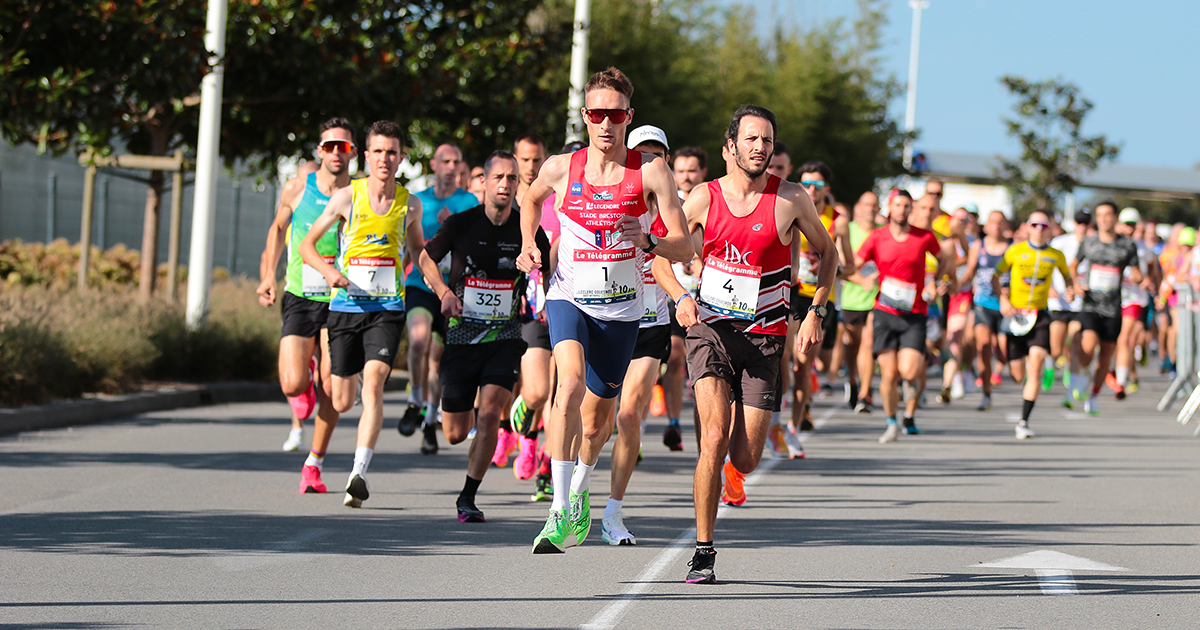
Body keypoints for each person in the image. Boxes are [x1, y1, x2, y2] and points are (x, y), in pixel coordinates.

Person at [517, 67, 695, 554]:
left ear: (628, 117)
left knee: (597, 424)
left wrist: (653, 239)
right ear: (585, 116)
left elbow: (683, 246)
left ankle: (579, 495)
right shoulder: (561, 167)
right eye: (597, 114)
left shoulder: (651, 171)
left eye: (615, 114)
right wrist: (528, 245)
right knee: (568, 385)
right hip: (569, 297)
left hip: (622, 313)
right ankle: (557, 512)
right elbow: (527, 199)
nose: (606, 123)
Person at [656, 104, 836, 584]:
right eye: (752, 139)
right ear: (729, 147)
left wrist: (815, 310)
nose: (761, 148)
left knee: (746, 458)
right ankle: (703, 550)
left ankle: (729, 465)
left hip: (765, 339)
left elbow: (829, 253)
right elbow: (659, 256)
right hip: (710, 331)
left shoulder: (791, 198)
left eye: (768, 141)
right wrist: (678, 297)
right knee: (712, 438)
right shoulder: (701, 198)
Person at [416, 150, 550, 522]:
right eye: (498, 178)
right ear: (483, 182)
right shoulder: (461, 224)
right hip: (461, 335)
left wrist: (536, 276)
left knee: (490, 414)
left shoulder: (528, 230)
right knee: (455, 433)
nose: (506, 184)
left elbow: (548, 273)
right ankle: (468, 418)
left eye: (512, 179)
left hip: (505, 335)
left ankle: (468, 497)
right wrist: (444, 292)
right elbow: (426, 258)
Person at [299, 120, 425, 508]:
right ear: (365, 156)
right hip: (345, 308)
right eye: (378, 152)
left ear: (402, 158)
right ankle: (327, 382)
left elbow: (417, 251)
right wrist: (331, 273)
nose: (385, 159)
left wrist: (432, 281)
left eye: (392, 152)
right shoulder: (347, 198)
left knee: (373, 386)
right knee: (339, 400)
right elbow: (307, 246)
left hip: (386, 309)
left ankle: (358, 473)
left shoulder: (410, 203)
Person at [255, 118, 354, 490]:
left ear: (352, 153)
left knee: (331, 383)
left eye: (343, 147)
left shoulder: (358, 194)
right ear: (319, 151)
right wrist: (268, 274)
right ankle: (305, 384)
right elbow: (278, 229)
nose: (335, 153)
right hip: (300, 294)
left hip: (341, 299)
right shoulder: (299, 188)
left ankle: (314, 462)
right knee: (294, 383)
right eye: (329, 146)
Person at [596, 125, 675, 546]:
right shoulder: (609, 201)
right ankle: (571, 490)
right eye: (641, 154)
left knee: (629, 415)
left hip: (651, 324)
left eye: (655, 155)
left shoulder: (672, 207)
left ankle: (613, 511)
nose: (648, 162)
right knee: (596, 419)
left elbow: (687, 248)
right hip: (607, 319)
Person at [398, 144, 478, 456]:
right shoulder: (419, 202)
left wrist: (453, 228)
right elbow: (411, 245)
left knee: (439, 359)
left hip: (454, 290)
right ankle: (415, 400)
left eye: (456, 161)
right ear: (433, 164)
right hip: (421, 284)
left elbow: (475, 247)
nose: (450, 166)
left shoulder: (468, 201)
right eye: (445, 160)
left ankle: (430, 420)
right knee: (418, 341)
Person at [857, 190, 948, 443]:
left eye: (907, 206)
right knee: (889, 374)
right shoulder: (877, 237)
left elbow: (944, 259)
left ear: (912, 209)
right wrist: (862, 279)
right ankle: (891, 422)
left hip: (915, 313)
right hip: (885, 312)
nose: (902, 210)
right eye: (897, 205)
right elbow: (854, 263)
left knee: (908, 371)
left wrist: (936, 282)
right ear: (890, 207)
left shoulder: (924, 237)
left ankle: (909, 404)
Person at [993, 210, 1076, 439]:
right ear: (1027, 227)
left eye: (1044, 225)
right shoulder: (1015, 251)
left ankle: (1023, 421)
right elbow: (995, 275)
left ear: (1049, 229)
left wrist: (1069, 290)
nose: (1039, 229)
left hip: (1040, 315)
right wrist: (1002, 299)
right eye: (1035, 225)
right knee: (1018, 374)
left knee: (1037, 363)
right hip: (1015, 316)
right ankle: (1023, 381)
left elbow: (1068, 277)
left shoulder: (1056, 255)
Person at [788, 160, 852, 454]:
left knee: (805, 366)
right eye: (806, 185)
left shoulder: (837, 219)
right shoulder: (789, 206)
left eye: (817, 186)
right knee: (784, 364)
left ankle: (794, 426)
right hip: (790, 293)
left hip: (820, 299)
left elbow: (848, 265)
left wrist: (826, 264)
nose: (811, 191)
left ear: (827, 188)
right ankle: (781, 424)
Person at [1069, 201, 1141, 416]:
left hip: (1114, 307)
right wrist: (1075, 283)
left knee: (1106, 355)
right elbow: (1073, 265)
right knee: (1088, 347)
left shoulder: (1127, 245)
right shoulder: (1088, 242)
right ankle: (1082, 374)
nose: (1103, 219)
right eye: (1099, 215)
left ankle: (1093, 395)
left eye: (1108, 215)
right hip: (1091, 304)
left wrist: (1138, 277)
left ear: (1115, 217)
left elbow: (1136, 271)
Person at [662, 146, 709, 450]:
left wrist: (701, 260)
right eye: (680, 171)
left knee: (700, 365)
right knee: (675, 354)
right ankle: (674, 422)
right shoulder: (668, 204)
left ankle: (706, 432)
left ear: (702, 172)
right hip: (672, 295)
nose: (686, 176)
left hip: (707, 296)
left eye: (692, 170)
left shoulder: (710, 203)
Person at [961, 211, 1011, 411]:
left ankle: (1001, 366)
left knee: (1003, 351)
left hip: (1006, 306)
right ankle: (986, 393)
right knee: (982, 347)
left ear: (1005, 225)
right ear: (986, 225)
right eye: (993, 222)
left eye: (1000, 223)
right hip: (983, 302)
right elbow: (970, 270)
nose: (996, 226)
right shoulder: (978, 246)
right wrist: (955, 285)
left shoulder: (1012, 247)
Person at [1113, 208, 1160, 398]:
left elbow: (1153, 269)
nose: (1129, 228)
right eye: (1126, 224)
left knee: (1127, 339)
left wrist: (1149, 280)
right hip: (1112, 299)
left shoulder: (1142, 248)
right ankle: (1129, 374)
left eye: (1132, 225)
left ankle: (1121, 383)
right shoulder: (1112, 245)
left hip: (1134, 299)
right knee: (1121, 342)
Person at [841, 191, 881, 413]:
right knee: (853, 347)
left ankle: (865, 394)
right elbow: (838, 268)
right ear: (859, 207)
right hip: (852, 299)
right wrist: (860, 280)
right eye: (867, 204)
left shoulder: (884, 233)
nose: (871, 209)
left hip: (877, 300)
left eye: (875, 205)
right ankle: (853, 381)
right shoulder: (849, 231)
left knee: (868, 342)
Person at [1050, 210, 1091, 405]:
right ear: (1075, 223)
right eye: (1080, 222)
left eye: (1087, 222)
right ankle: (1052, 363)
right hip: (1059, 302)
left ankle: (1071, 390)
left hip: (1081, 304)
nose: (1083, 226)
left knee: (1076, 344)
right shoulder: (1060, 243)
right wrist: (1050, 288)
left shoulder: (1095, 244)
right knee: (1056, 347)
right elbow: (1046, 267)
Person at [514, 134, 548, 205]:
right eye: (525, 160)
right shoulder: (505, 196)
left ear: (546, 160)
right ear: (515, 159)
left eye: (536, 160)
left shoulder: (556, 200)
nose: (531, 167)